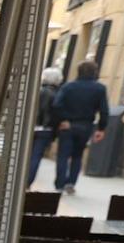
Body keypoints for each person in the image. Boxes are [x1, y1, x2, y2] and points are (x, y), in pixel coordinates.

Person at [50, 58, 112, 194]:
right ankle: (71, 183)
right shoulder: (100, 88)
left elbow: (56, 105)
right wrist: (101, 128)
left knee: (63, 155)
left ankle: (60, 184)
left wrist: (63, 119)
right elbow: (104, 110)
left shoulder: (68, 86)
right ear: (94, 72)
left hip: (67, 126)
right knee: (77, 156)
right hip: (85, 126)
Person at [29, 65, 65, 188]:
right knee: (36, 156)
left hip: (30, 127)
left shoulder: (35, 91)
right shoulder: (57, 95)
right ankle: (27, 182)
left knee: (23, 154)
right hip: (45, 130)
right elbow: (56, 114)